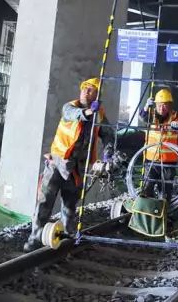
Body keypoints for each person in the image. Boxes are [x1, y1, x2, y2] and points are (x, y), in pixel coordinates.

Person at [23, 77, 113, 251]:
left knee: (70, 206)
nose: (87, 92)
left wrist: (108, 154)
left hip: (77, 169)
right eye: (85, 88)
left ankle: (67, 237)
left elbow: (109, 135)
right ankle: (34, 238)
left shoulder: (99, 115)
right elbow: (74, 115)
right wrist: (88, 113)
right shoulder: (69, 107)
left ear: (97, 95)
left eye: (92, 90)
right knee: (45, 202)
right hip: (57, 163)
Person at [142, 88, 178, 200]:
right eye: (159, 105)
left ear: (169, 106)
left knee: (165, 192)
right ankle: (149, 213)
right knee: (147, 189)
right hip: (151, 160)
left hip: (168, 163)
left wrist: (176, 125)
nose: (162, 108)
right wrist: (146, 107)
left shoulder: (175, 117)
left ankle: (164, 214)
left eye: (165, 105)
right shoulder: (151, 115)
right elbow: (143, 117)